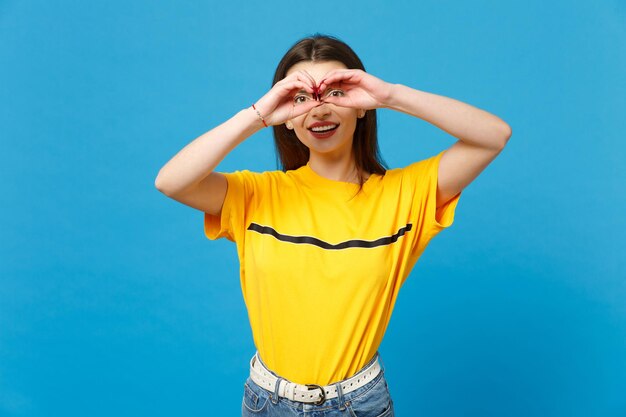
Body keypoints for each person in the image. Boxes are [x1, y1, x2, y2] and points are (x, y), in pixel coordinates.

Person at [155, 34, 511, 417]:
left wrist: (389, 95)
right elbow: (171, 181)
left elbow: (493, 136)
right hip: (266, 402)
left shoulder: (406, 194)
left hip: (359, 404)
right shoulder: (255, 194)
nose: (319, 111)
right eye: (301, 99)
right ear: (286, 120)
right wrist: (258, 114)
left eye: (336, 93)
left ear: (361, 107)